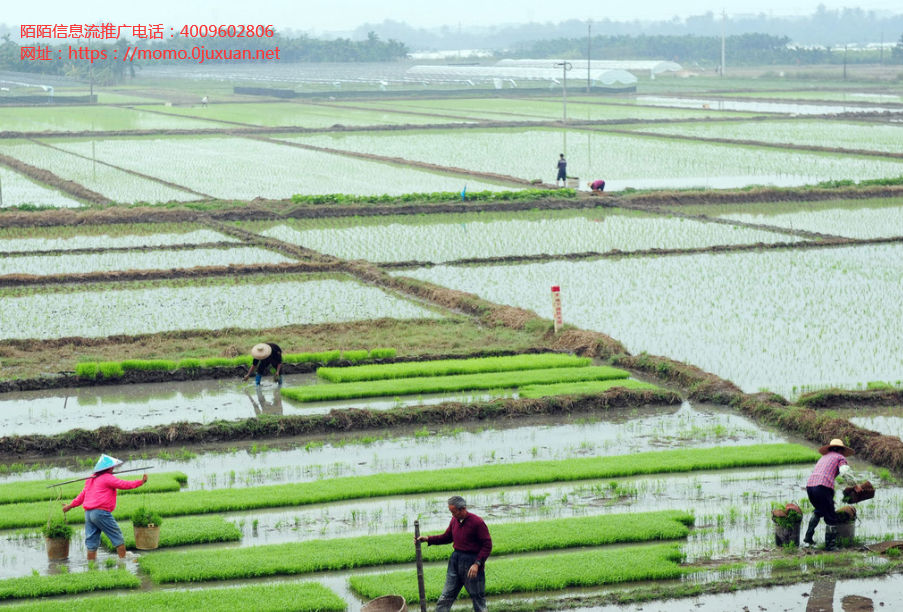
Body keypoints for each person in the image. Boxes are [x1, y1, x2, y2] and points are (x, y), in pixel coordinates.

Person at [62, 454, 147, 562]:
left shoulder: (91, 479)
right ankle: (123, 561)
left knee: (91, 542)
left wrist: (70, 506)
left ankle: (91, 564)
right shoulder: (107, 478)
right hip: (100, 513)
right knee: (117, 536)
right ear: (108, 468)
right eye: (112, 467)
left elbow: (82, 495)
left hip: (88, 514)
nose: (113, 469)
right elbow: (124, 484)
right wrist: (141, 482)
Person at [415, 495, 492, 612]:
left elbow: (487, 545)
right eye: (451, 512)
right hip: (455, 561)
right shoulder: (454, 521)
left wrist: (477, 564)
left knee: (478, 599)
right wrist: (427, 539)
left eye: (454, 511)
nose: (452, 515)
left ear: (463, 508)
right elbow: (447, 537)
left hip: (471, 563)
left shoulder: (477, 522)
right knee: (446, 597)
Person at [804, 438, 860, 551]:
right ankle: (830, 546)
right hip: (823, 487)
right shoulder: (840, 457)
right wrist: (855, 485)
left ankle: (808, 539)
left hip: (810, 486)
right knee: (830, 517)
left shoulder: (824, 457)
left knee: (819, 510)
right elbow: (845, 472)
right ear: (841, 450)